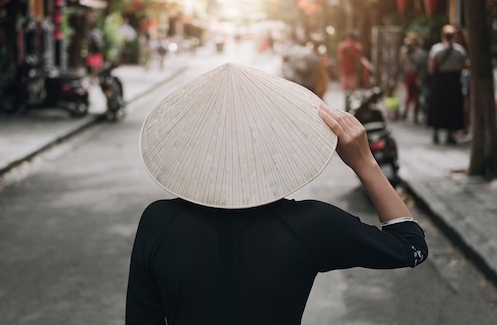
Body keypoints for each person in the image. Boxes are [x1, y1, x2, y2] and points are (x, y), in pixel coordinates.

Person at [127, 63, 428, 325]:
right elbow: (410, 246)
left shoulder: (158, 221)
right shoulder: (310, 224)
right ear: (276, 147)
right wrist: (364, 161)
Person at [427, 25, 467, 144]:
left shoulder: (436, 49)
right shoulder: (459, 50)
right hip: (453, 81)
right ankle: (450, 134)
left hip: (440, 81)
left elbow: (431, 67)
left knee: (438, 106)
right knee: (452, 107)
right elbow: (463, 66)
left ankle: (436, 133)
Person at [337, 32, 372, 111]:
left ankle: (347, 105)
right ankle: (350, 106)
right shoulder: (358, 47)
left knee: (346, 90)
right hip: (354, 72)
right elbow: (359, 59)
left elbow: (340, 58)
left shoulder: (342, 46)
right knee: (352, 91)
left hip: (345, 71)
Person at [398, 32, 426, 123]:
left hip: (408, 74)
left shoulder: (404, 51)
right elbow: (422, 65)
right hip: (415, 75)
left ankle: (406, 111)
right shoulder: (419, 52)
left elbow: (401, 63)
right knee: (416, 96)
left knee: (409, 95)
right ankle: (415, 115)